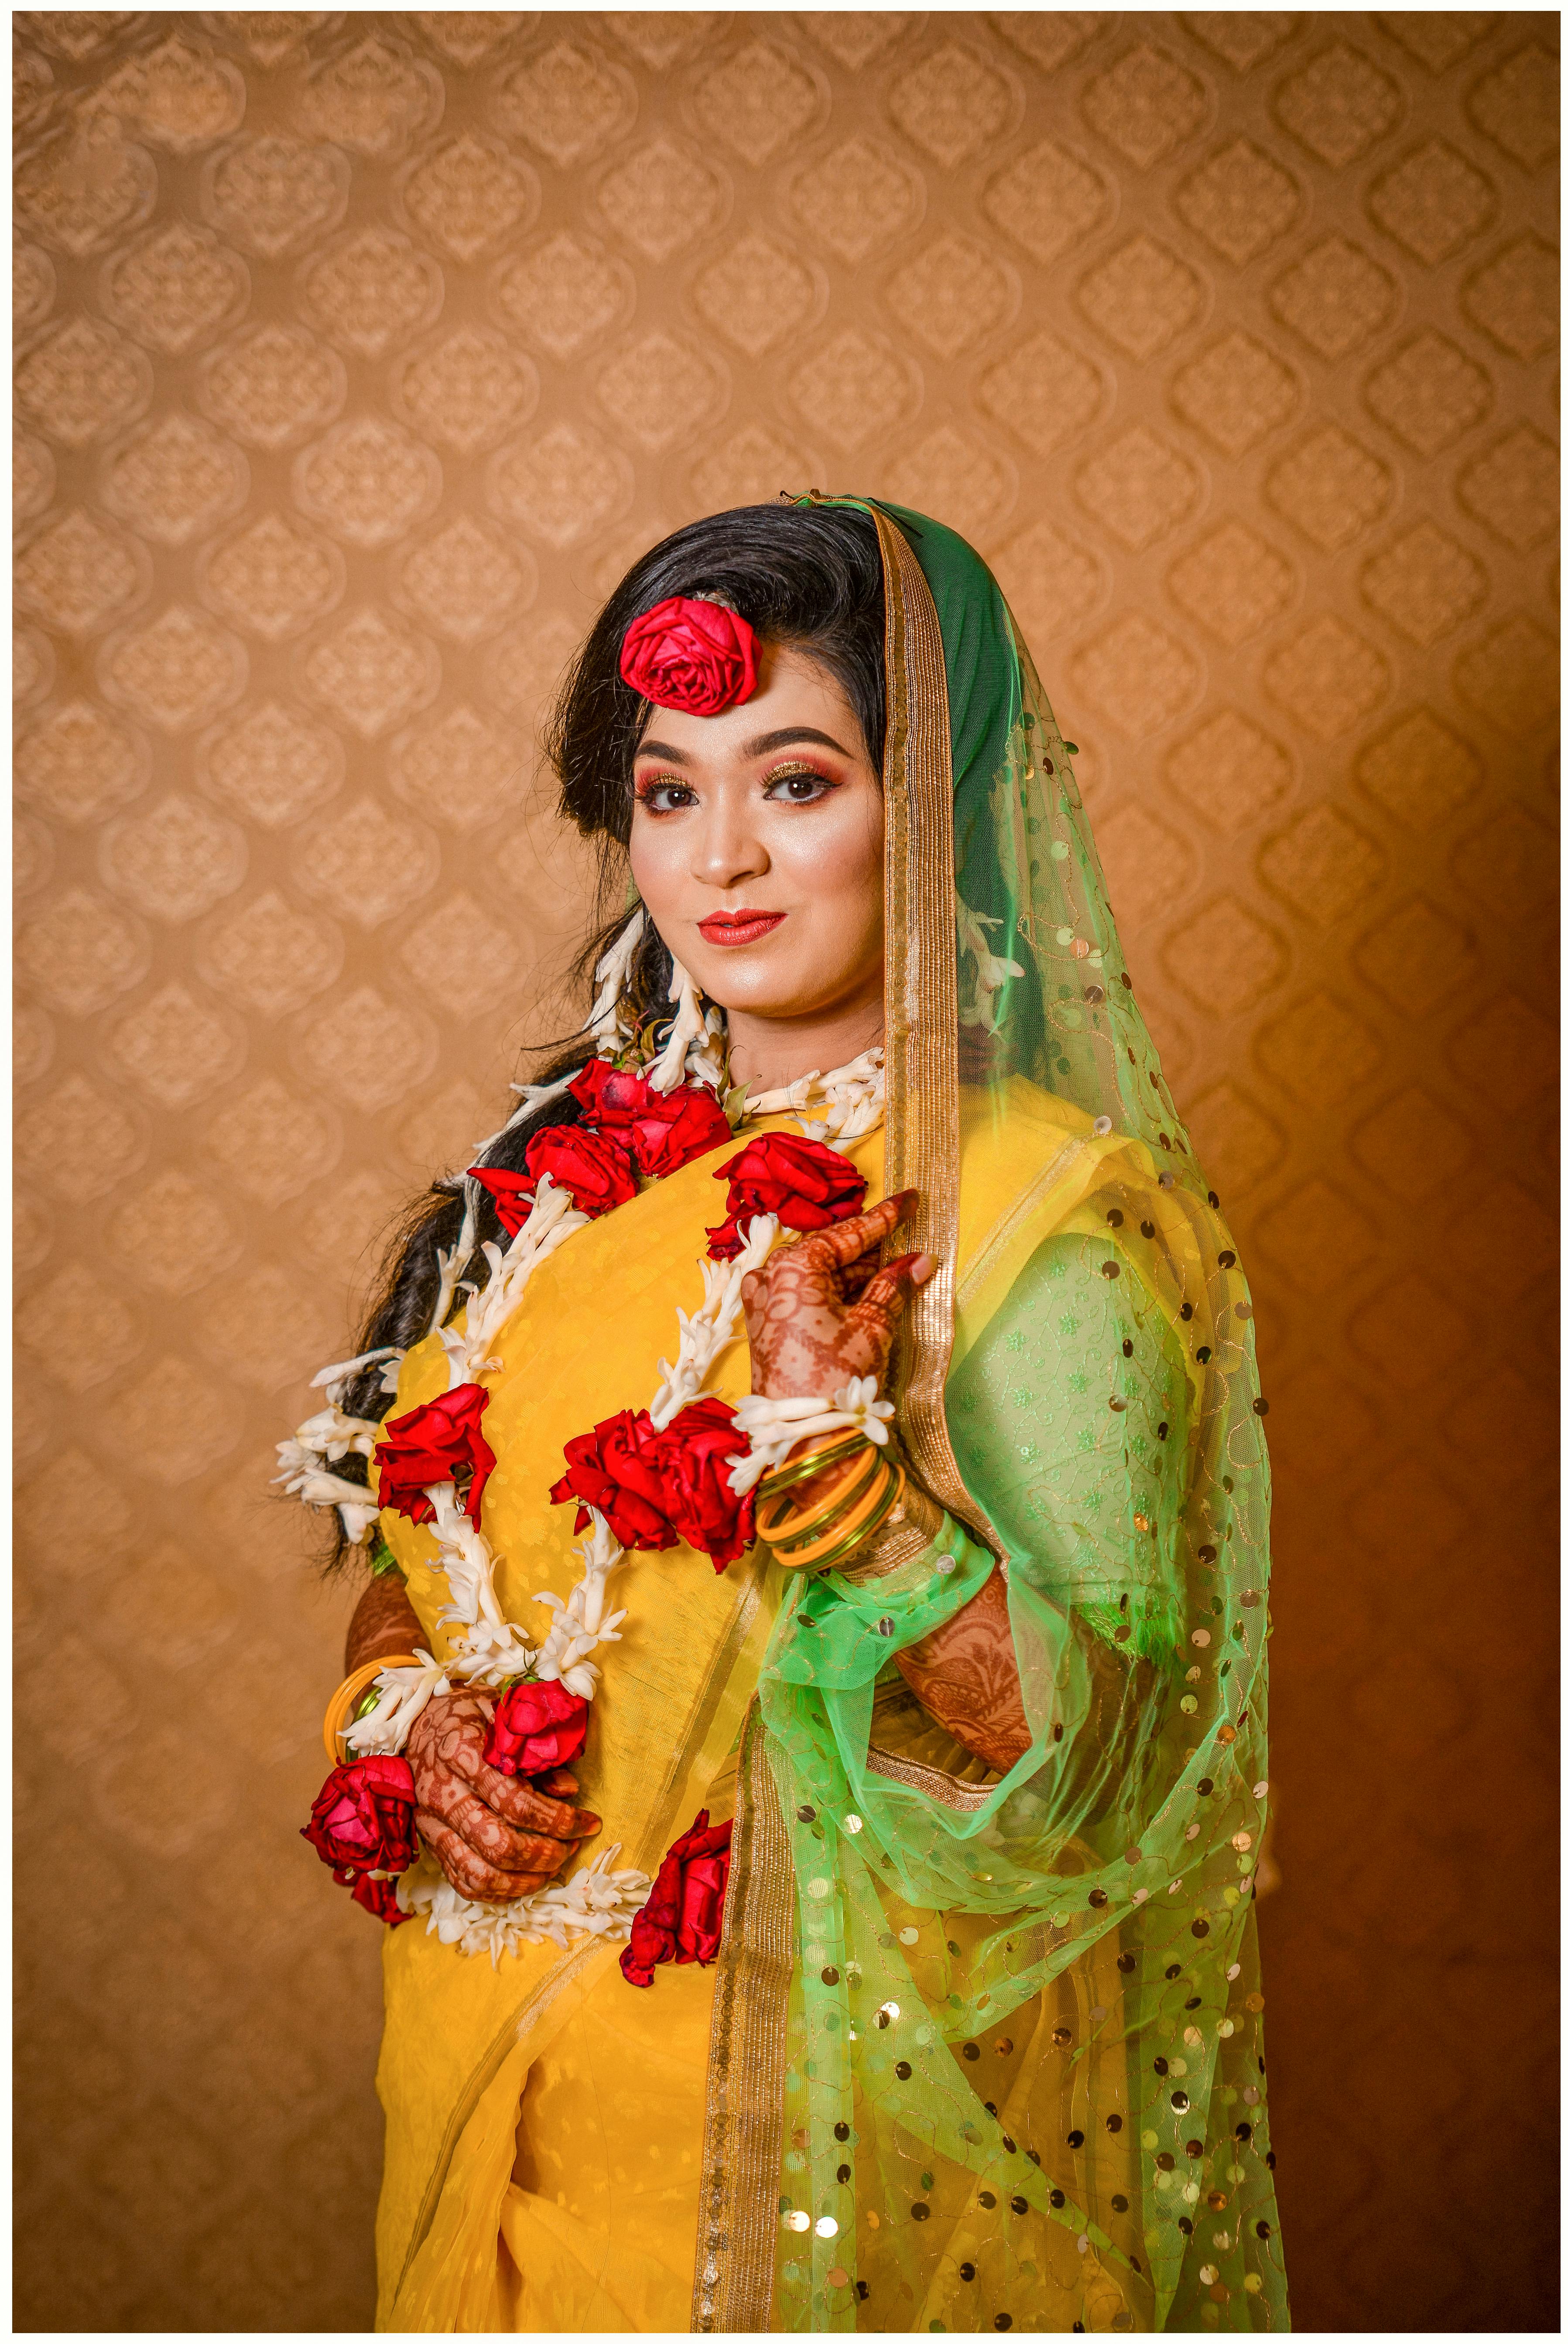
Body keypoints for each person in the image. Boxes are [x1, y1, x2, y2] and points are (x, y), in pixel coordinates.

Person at [284, 498, 1288, 2334]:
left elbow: (1101, 1784)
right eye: (669, 792)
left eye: (798, 783)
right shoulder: (552, 1206)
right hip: (497, 2124)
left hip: (815, 2178)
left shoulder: (1030, 1229)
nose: (722, 859)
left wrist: (851, 1479)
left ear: (939, 808)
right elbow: (421, 1568)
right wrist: (410, 1727)